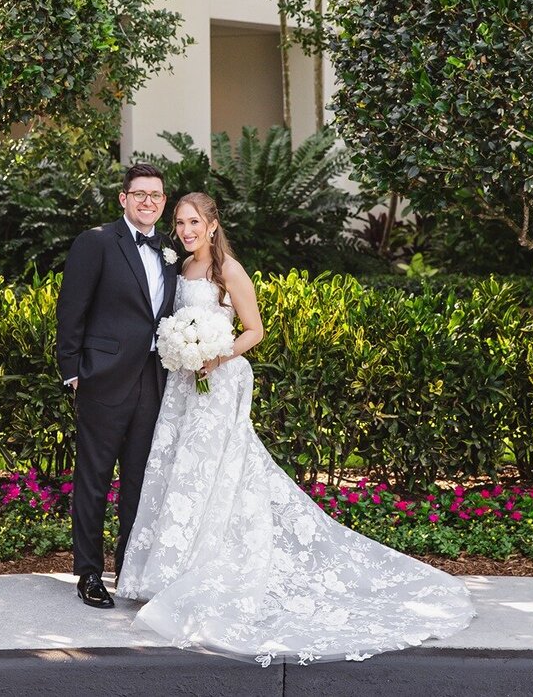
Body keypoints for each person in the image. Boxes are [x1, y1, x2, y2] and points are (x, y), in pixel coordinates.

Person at [115, 192, 475, 664]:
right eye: (180, 223)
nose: (185, 231)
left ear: (213, 225)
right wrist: (182, 349)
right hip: (183, 385)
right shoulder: (179, 270)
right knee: (180, 470)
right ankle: (168, 571)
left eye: (193, 222)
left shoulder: (230, 271)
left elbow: (254, 330)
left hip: (219, 382)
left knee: (214, 468)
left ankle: (201, 567)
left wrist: (213, 354)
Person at [55, 163, 177, 610]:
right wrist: (73, 371)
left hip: (153, 378)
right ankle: (88, 573)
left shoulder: (170, 250)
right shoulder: (97, 242)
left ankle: (128, 569)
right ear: (123, 199)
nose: (148, 201)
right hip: (103, 377)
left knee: (140, 481)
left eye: (156, 195)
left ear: (163, 203)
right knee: (94, 477)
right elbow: (72, 309)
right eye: (139, 193)